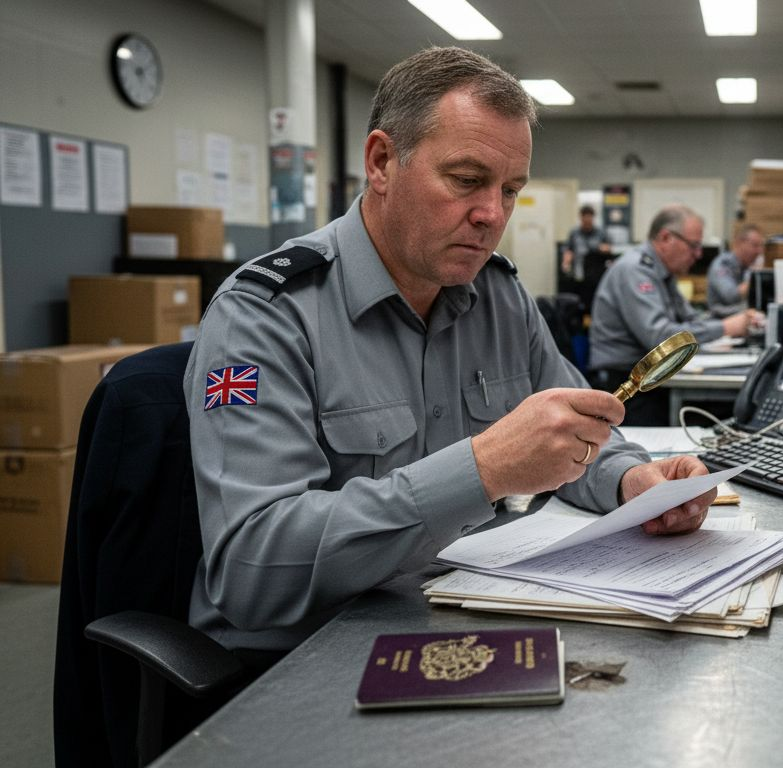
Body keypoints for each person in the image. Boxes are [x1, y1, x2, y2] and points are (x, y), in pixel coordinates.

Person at [183, 47, 716, 656]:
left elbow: (578, 431)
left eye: (511, 190)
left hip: (464, 620)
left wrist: (631, 479)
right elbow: (251, 571)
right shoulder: (267, 314)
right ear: (382, 162)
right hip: (311, 657)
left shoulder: (497, 295)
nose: (492, 215)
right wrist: (485, 468)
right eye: (466, 181)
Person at [587, 204, 762, 425]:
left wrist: (731, 322)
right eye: (694, 245)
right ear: (666, 237)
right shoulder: (635, 271)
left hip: (650, 380)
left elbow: (691, 319)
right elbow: (660, 338)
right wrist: (727, 327)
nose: (698, 254)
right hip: (626, 387)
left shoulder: (662, 274)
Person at [706, 224, 765, 317]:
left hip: (741, 319)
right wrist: (756, 277)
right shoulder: (722, 264)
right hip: (720, 321)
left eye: (761, 246)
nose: (759, 251)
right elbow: (731, 296)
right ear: (739, 243)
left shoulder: (747, 266)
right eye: (755, 245)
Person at [560, 204, 611, 283]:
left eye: (589, 217)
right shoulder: (574, 233)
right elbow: (569, 250)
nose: (587, 220)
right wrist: (566, 263)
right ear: (581, 218)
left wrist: (601, 248)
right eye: (585, 217)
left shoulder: (601, 233)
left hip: (596, 271)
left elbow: (608, 248)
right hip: (579, 270)